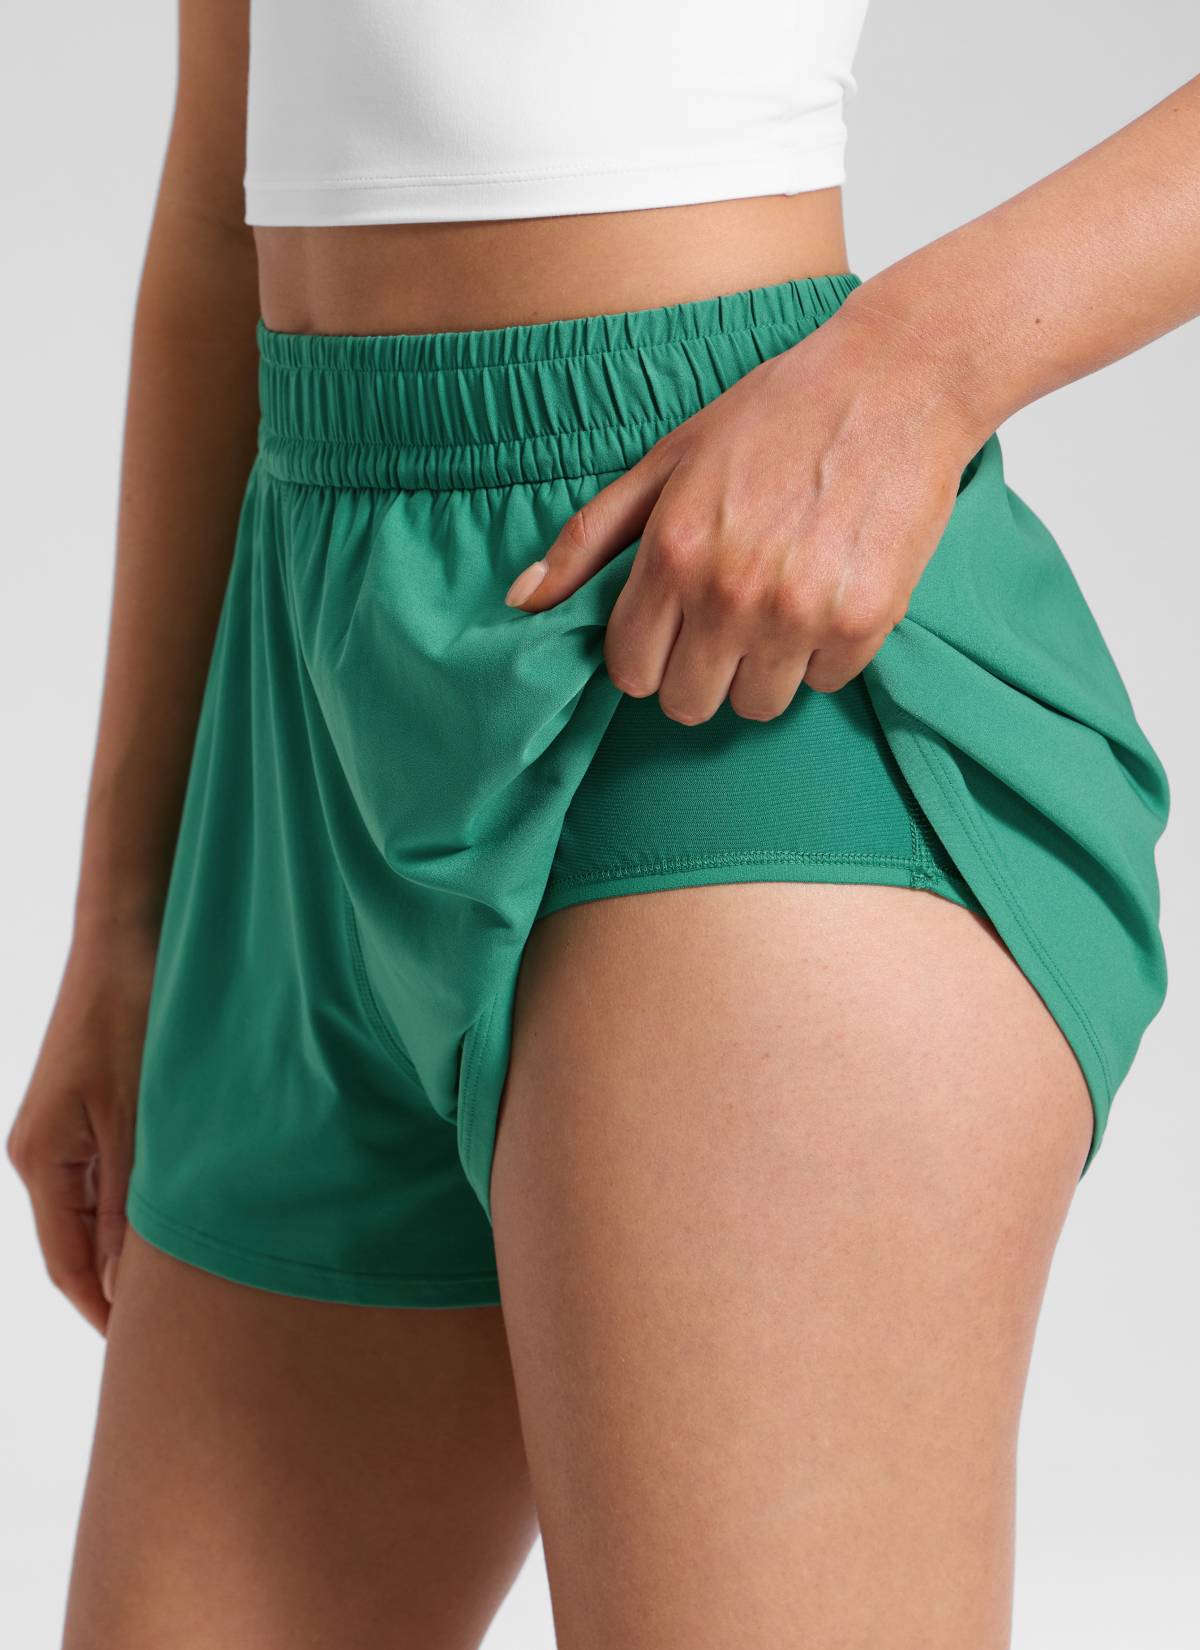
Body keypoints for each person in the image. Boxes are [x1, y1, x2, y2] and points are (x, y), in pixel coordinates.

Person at [7, 2, 1193, 1644]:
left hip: (714, 649)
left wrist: (926, 362)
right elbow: (227, 184)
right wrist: (128, 905)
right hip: (304, 697)